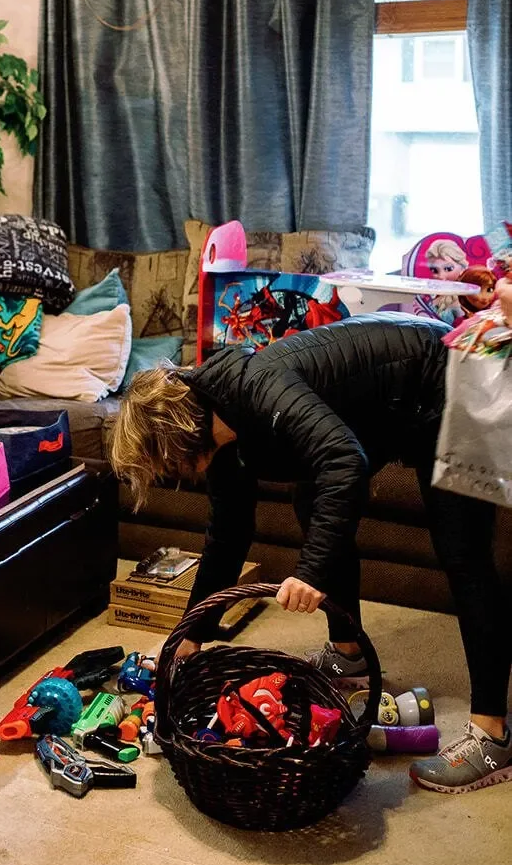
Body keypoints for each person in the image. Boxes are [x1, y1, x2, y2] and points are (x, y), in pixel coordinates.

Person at [110, 315, 512, 795]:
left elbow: (345, 463)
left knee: (462, 552)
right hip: (391, 401)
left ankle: (492, 736)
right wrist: (188, 639)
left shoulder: (255, 390)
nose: (173, 474)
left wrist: (311, 573)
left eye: (166, 462)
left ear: (176, 434)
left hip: (446, 379)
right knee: (310, 499)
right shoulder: (220, 433)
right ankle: (349, 657)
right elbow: (227, 538)